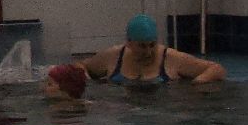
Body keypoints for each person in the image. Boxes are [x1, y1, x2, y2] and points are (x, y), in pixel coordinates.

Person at [79, 15, 226, 85]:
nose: (148, 52)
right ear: (129, 43)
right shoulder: (114, 56)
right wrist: (87, 82)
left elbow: (216, 69)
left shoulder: (170, 58)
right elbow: (80, 65)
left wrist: (196, 84)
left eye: (152, 45)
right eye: (142, 46)